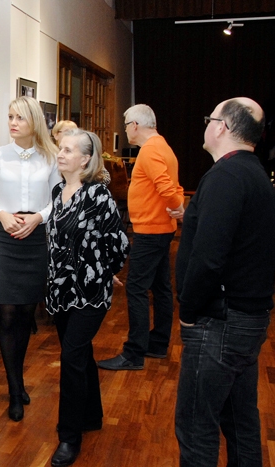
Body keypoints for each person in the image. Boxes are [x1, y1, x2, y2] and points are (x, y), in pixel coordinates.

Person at [174, 97, 275, 467]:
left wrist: (188, 310)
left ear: (222, 127)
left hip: (219, 321)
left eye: (210, 118)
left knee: (195, 427)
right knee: (239, 422)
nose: (206, 124)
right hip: (248, 319)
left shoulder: (225, 176)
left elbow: (209, 259)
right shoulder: (254, 174)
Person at [45, 128, 129, 467]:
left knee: (72, 356)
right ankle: (91, 416)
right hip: (60, 292)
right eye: (60, 149)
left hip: (89, 294)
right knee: (79, 355)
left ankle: (69, 437)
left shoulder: (98, 195)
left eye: (68, 150)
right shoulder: (57, 190)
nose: (61, 154)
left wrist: (106, 271)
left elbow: (119, 242)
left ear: (85, 158)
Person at [0, 96, 60, 421]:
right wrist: (0, 214)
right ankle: (14, 389)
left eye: (19, 118)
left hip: (35, 237)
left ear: (34, 122)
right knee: (7, 315)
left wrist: (39, 218)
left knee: (26, 314)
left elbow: (57, 199)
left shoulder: (50, 157)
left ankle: (18, 378)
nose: (12, 123)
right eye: (10, 117)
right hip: (3, 236)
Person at [98, 104, 185, 371]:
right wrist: (177, 205)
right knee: (160, 288)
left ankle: (134, 353)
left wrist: (176, 205)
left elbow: (168, 188)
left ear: (135, 125)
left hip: (151, 231)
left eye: (125, 125)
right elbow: (175, 187)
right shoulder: (163, 147)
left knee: (135, 288)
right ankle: (157, 343)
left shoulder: (150, 151)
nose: (125, 130)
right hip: (159, 228)